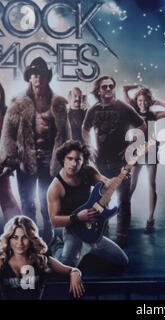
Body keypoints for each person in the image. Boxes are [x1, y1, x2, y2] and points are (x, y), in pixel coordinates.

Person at [0, 57, 71, 245]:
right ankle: (31, 241)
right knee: (28, 203)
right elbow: (8, 135)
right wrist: (9, 161)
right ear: (30, 78)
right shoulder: (18, 103)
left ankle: (51, 239)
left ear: (48, 78)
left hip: (51, 160)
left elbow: (65, 135)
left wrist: (67, 160)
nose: (38, 78)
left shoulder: (58, 104)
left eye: (41, 74)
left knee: (50, 203)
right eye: (34, 74)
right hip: (26, 160)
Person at [82, 76, 146, 248]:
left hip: (122, 163)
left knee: (124, 199)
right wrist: (89, 147)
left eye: (111, 86)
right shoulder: (93, 110)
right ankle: (104, 235)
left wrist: (131, 145)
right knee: (102, 200)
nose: (108, 89)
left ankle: (122, 235)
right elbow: (85, 129)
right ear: (99, 90)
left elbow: (142, 126)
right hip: (101, 163)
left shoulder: (123, 107)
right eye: (105, 87)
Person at [47, 140, 129, 268]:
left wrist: (118, 179)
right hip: (71, 230)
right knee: (66, 267)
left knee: (122, 261)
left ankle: (87, 248)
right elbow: (54, 221)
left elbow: (105, 182)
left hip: (91, 229)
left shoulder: (87, 172)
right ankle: (58, 245)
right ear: (63, 158)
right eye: (70, 159)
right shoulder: (55, 187)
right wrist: (77, 217)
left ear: (83, 161)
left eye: (78, 160)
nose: (74, 164)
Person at [122, 84, 165, 233]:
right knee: (131, 186)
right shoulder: (132, 111)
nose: (143, 103)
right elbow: (124, 89)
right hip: (136, 151)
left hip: (151, 150)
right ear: (137, 101)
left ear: (149, 101)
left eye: (146, 101)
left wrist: (158, 103)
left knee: (151, 184)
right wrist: (137, 86)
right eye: (140, 100)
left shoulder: (153, 115)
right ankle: (123, 215)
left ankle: (150, 219)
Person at [0, 215, 84, 300]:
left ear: (31, 238)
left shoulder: (41, 260)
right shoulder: (2, 261)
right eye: (15, 237)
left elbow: (71, 270)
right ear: (8, 239)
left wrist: (75, 273)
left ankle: (57, 244)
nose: (20, 243)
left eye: (24, 237)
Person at [0, 83, 21, 223]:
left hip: (3, 164)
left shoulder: (8, 113)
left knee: (8, 201)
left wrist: (10, 164)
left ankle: (19, 234)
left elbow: (15, 140)